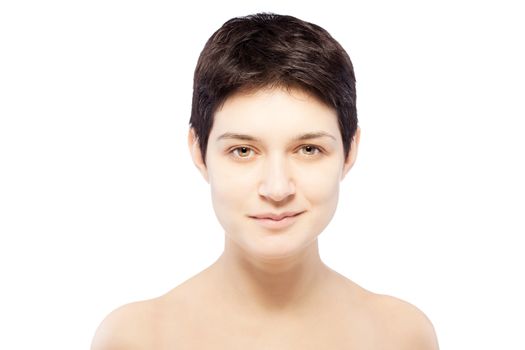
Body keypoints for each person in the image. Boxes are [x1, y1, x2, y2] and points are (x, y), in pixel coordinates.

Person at [91, 13, 439, 349]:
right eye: (243, 151)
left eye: (308, 149)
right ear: (199, 152)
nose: (277, 189)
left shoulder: (402, 336)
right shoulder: (134, 339)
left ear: (349, 152)